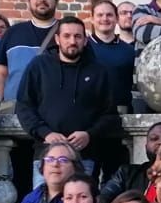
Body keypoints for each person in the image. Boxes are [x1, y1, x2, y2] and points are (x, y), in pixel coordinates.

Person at [15, 15, 123, 177]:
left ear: (85, 41)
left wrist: (89, 134)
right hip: (46, 155)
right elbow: (24, 106)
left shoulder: (98, 71)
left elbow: (110, 115)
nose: (72, 41)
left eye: (78, 36)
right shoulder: (39, 66)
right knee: (45, 194)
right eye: (67, 36)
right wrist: (45, 133)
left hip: (84, 157)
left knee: (81, 195)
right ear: (57, 39)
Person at [0, 0, 61, 99]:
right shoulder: (13, 33)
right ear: (28, 0)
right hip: (15, 107)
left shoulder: (67, 34)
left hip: (53, 107)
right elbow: (1, 75)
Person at [87, 0, 136, 112]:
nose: (105, 18)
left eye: (109, 15)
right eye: (100, 15)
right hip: (90, 112)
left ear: (116, 19)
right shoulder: (83, 48)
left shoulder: (129, 51)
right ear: (92, 19)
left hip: (121, 112)